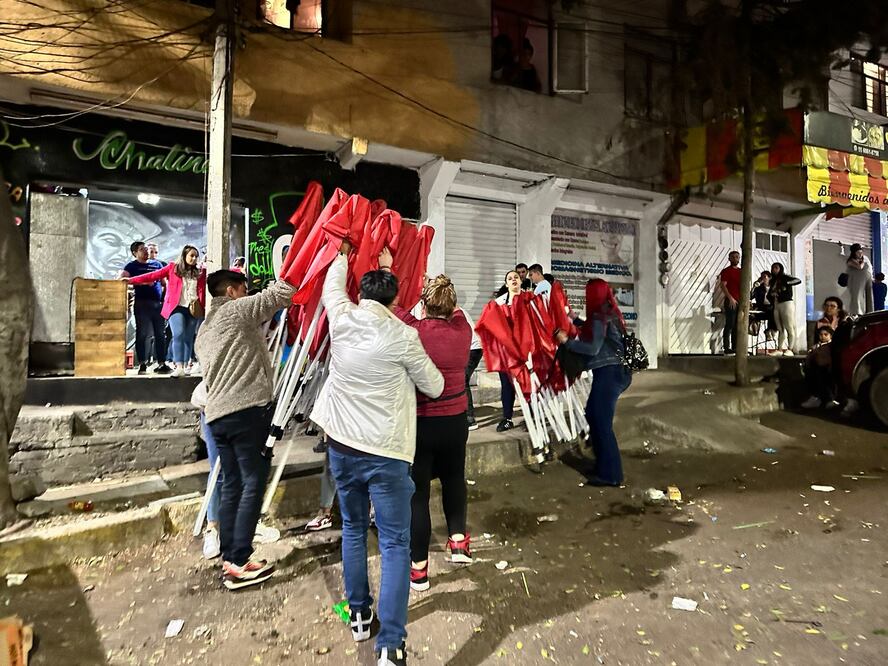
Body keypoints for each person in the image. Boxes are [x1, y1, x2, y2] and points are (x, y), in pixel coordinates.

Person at [310, 242, 443, 666]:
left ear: (361, 294)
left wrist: (345, 253)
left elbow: (332, 283)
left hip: (342, 448)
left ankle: (360, 616)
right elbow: (435, 386)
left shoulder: (341, 317)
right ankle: (391, 645)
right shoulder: (403, 336)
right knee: (395, 545)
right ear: (396, 298)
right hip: (385, 453)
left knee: (351, 530)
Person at [194, 269, 296, 590]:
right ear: (234, 291)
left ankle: (230, 557)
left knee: (232, 484)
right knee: (253, 482)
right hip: (246, 411)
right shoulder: (237, 311)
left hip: (217, 416)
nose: (248, 293)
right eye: (245, 288)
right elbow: (281, 295)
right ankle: (240, 561)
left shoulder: (205, 330)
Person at [393, 271, 472, 593]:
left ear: (424, 307)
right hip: (456, 421)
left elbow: (394, 307)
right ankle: (458, 543)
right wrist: (436, 287)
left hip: (421, 424)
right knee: (455, 479)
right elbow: (457, 312)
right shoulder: (463, 330)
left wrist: (396, 272)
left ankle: (419, 570)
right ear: (452, 306)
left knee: (418, 495)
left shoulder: (415, 331)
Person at [555, 279, 632, 487]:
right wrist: (575, 320)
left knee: (602, 422)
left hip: (609, 373)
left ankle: (612, 475)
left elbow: (592, 348)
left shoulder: (600, 316)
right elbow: (596, 332)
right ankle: (602, 465)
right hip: (614, 372)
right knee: (592, 414)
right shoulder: (608, 312)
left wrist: (566, 342)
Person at [127, 245, 206, 376]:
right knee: (178, 334)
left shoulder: (200, 272)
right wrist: (130, 280)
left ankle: (186, 365)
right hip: (176, 307)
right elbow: (153, 275)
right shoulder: (172, 268)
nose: (194, 259)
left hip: (193, 308)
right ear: (184, 256)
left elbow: (207, 285)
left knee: (188, 337)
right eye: (191, 256)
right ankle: (179, 366)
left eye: (196, 256)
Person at [119, 241, 172, 375]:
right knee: (141, 334)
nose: (146, 251)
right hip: (142, 304)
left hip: (158, 305)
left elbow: (164, 283)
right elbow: (120, 280)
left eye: (147, 249)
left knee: (161, 334)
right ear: (135, 253)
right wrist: (141, 283)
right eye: (142, 249)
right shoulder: (131, 266)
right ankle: (142, 363)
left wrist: (164, 299)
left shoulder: (157, 265)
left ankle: (161, 363)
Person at [494, 270, 523, 432]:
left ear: (520, 281)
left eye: (516, 278)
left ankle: (532, 416)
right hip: (505, 352)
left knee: (528, 384)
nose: (513, 280)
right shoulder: (498, 303)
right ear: (506, 284)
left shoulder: (530, 299)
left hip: (525, 351)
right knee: (507, 385)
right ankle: (507, 418)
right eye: (510, 279)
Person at [801, 327, 839, 410]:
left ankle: (829, 399)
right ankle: (816, 398)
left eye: (826, 334)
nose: (823, 336)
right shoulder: (816, 346)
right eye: (821, 334)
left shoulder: (832, 346)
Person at [768, 262, 801, 355]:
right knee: (780, 328)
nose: (774, 270)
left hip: (786, 303)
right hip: (776, 304)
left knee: (789, 327)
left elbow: (798, 280)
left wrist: (786, 283)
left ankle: (790, 348)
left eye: (776, 268)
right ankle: (779, 349)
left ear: (780, 269)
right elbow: (769, 294)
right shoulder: (773, 281)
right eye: (773, 268)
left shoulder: (785, 277)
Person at [460, 308, 484, 431]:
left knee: (462, 380)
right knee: (461, 380)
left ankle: (469, 418)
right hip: (472, 348)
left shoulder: (457, 311)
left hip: (473, 348)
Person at [718, 251, 741, 355]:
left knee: (737, 325)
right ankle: (727, 347)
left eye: (737, 257)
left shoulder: (741, 271)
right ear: (729, 259)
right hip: (731, 300)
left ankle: (735, 347)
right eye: (733, 257)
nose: (735, 259)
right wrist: (730, 298)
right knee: (730, 324)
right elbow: (723, 285)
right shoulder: (726, 271)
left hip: (740, 301)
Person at [845, 244, 873, 315]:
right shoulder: (850, 261)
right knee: (857, 297)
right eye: (858, 253)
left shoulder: (864, 261)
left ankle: (869, 313)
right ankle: (857, 313)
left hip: (866, 281)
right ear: (854, 253)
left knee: (868, 298)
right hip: (856, 282)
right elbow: (860, 267)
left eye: (861, 252)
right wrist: (863, 260)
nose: (860, 254)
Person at [750, 270, 775, 343]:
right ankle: (769, 331)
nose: (763, 279)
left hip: (771, 308)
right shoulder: (759, 288)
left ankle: (769, 330)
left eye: (764, 277)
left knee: (773, 311)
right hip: (761, 308)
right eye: (761, 277)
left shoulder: (773, 287)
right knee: (771, 311)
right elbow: (750, 297)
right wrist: (754, 287)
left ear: (769, 278)